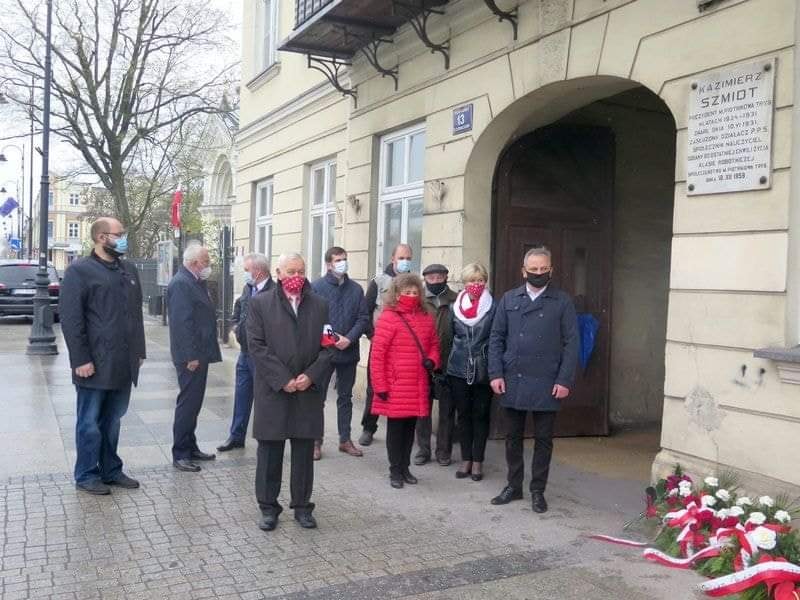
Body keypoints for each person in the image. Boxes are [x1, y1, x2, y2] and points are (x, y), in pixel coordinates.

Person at [59, 217, 146, 495]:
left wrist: (139, 350)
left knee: (113, 419)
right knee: (89, 422)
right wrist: (80, 359)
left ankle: (111, 470)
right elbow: (71, 319)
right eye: (118, 234)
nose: (123, 238)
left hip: (123, 361)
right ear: (101, 237)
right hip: (94, 362)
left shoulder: (128, 269)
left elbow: (135, 314)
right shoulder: (79, 271)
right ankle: (86, 474)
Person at [488, 246, 579, 513]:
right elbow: (496, 338)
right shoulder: (509, 298)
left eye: (543, 269)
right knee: (512, 437)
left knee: (543, 439)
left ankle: (538, 490)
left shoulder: (562, 301)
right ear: (523, 271)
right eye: (533, 269)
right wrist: (495, 373)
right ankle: (513, 486)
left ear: (551, 270)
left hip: (547, 379)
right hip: (513, 377)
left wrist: (564, 380)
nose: (538, 273)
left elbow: (572, 343)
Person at [247, 253, 333, 531]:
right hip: (274, 391)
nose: (296, 276)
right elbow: (256, 346)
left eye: (301, 271)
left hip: (307, 391)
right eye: (291, 271)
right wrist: (283, 378)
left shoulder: (320, 305)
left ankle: (302, 507)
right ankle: (268, 507)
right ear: (278, 273)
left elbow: (328, 345)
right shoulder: (260, 304)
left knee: (304, 453)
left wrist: (312, 375)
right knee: (270, 452)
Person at [369, 273, 440, 489]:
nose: (411, 295)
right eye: (406, 292)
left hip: (417, 384)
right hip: (396, 385)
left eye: (414, 292)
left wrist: (432, 360)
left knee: (410, 430)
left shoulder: (426, 316)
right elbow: (377, 355)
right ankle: (395, 470)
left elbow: (434, 345)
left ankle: (405, 467)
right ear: (397, 294)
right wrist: (380, 385)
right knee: (395, 430)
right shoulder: (388, 318)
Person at [167, 243, 222, 472]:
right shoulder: (182, 283)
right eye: (205, 262)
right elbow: (182, 323)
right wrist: (190, 355)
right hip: (191, 355)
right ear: (193, 262)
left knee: (194, 403)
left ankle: (191, 446)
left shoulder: (195, 281)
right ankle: (181, 453)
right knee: (188, 404)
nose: (208, 265)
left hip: (200, 351)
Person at [311, 246, 370, 459]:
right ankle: (315, 441)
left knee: (345, 398)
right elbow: (313, 318)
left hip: (349, 352)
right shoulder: (316, 287)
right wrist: (334, 339)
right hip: (324, 353)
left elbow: (363, 318)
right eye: (337, 260)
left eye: (344, 259)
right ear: (328, 264)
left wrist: (350, 338)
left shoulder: (356, 289)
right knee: (318, 398)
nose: (342, 263)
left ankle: (345, 439)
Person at [358, 243, 414, 447]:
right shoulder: (379, 281)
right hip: (381, 344)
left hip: (405, 347)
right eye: (401, 257)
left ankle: (400, 431)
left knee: (402, 388)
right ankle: (368, 428)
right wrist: (372, 335)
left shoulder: (414, 283)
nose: (405, 261)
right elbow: (365, 311)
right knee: (375, 387)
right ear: (393, 259)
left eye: (408, 258)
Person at [218, 253, 274, 452]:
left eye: (247, 270)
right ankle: (236, 436)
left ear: (258, 271)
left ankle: (265, 439)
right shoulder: (248, 288)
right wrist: (235, 326)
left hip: (263, 356)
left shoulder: (274, 292)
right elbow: (239, 306)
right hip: (245, 354)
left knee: (263, 400)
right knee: (241, 396)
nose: (245, 274)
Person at [447, 263, 496, 482]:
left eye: (480, 280)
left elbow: (497, 339)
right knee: (464, 414)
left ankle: (478, 461)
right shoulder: (454, 308)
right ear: (464, 283)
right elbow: (449, 337)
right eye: (471, 280)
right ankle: (466, 458)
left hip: (484, 369)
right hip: (458, 368)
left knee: (481, 415)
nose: (476, 284)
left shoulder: (493, 307)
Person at [414, 263, 458, 466]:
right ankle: (423, 450)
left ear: (446, 278)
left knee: (447, 410)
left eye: (439, 277)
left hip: (448, 361)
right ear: (425, 279)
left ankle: (444, 451)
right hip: (423, 362)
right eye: (431, 278)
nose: (435, 281)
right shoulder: (419, 300)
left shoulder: (456, 299)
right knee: (422, 409)